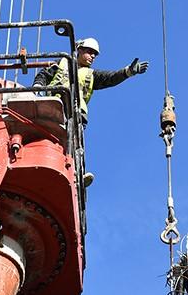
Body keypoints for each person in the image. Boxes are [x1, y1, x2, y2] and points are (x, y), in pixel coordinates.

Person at [33, 37, 149, 186]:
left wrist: (127, 72)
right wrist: (37, 87)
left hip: (76, 113)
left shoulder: (91, 75)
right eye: (89, 52)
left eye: (95, 54)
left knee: (76, 143)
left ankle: (78, 174)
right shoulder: (62, 62)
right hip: (53, 106)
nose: (93, 56)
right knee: (48, 137)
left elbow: (110, 78)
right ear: (79, 50)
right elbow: (44, 75)